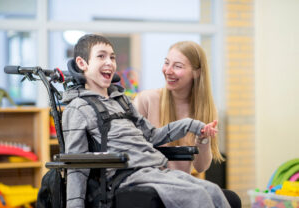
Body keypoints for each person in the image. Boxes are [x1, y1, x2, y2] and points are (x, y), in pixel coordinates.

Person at [62, 34, 230, 208]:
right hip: (126, 175)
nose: (109, 62)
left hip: (154, 168)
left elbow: (152, 136)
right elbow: (76, 163)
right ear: (82, 63)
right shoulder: (78, 108)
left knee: (213, 191)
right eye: (101, 56)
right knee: (197, 196)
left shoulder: (122, 101)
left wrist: (191, 124)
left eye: (112, 57)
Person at [133, 41, 241, 208]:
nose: (168, 71)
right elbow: (131, 150)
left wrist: (203, 140)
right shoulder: (146, 100)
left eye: (177, 66)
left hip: (181, 185)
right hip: (150, 184)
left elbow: (201, 166)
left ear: (196, 73)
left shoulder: (205, 109)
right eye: (166, 63)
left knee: (232, 199)